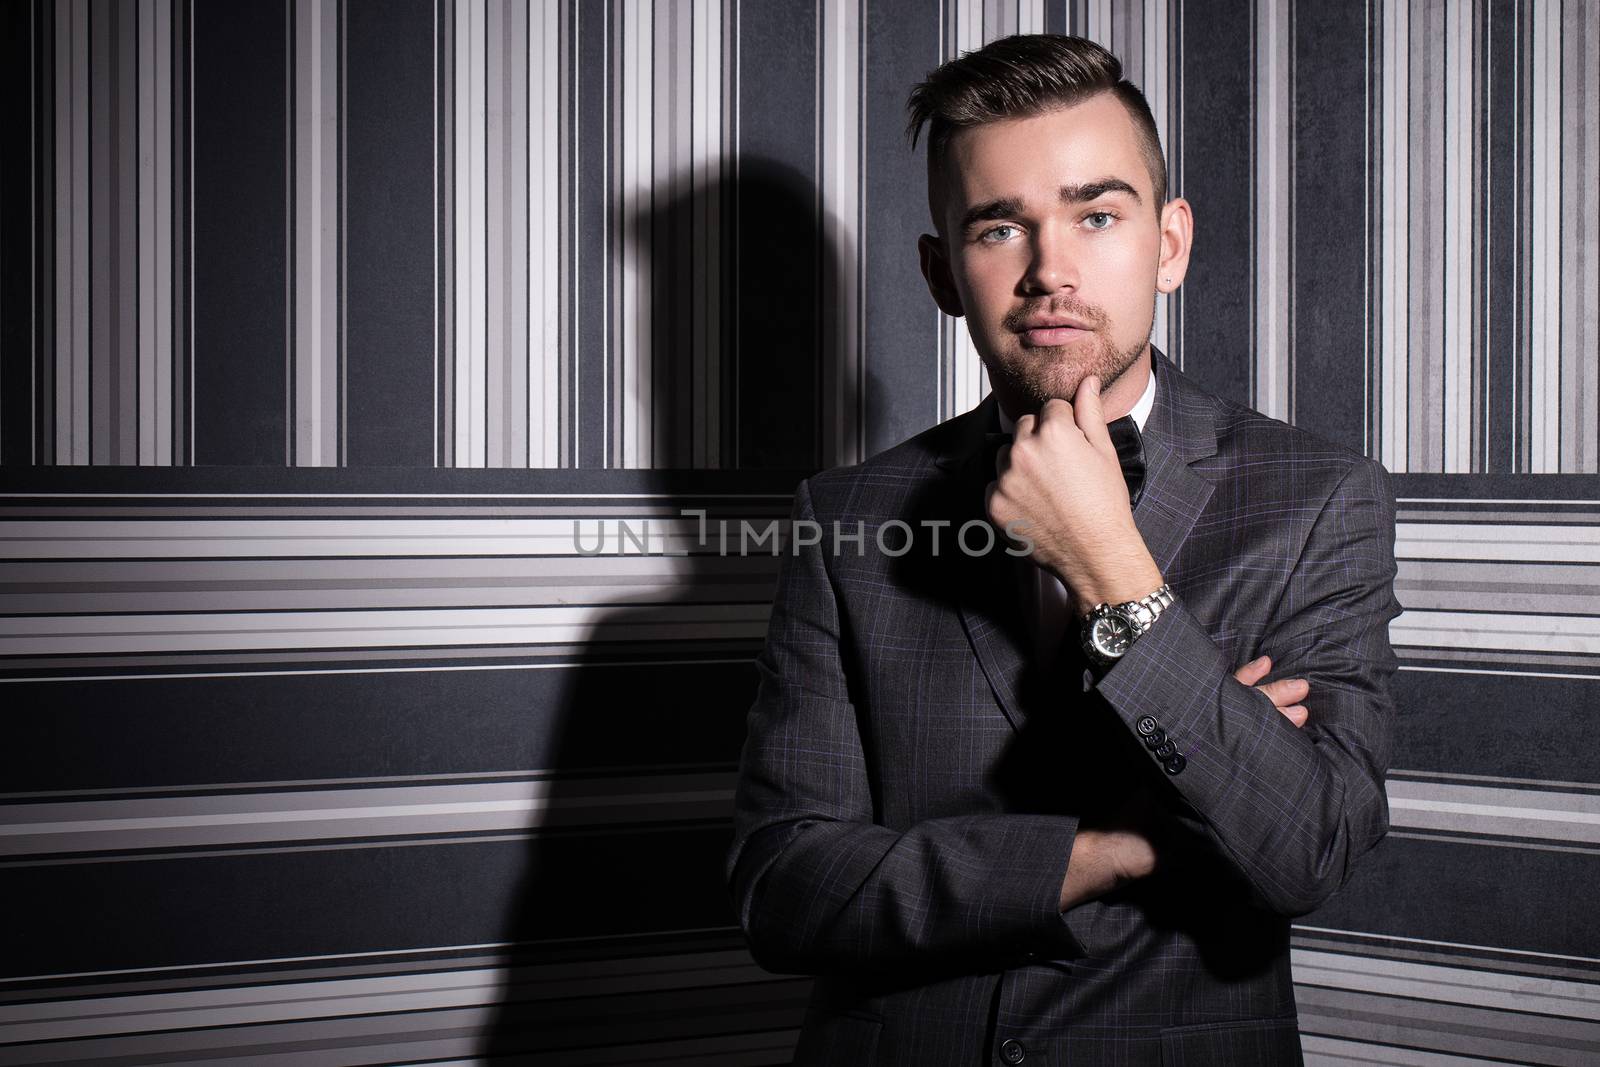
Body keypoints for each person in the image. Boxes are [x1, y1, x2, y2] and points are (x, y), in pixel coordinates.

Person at [724, 33, 1399, 1066]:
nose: (1050, 270)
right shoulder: (845, 515)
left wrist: (1108, 563)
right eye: (1000, 228)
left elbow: (1309, 845)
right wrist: (1118, 849)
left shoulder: (1315, 498)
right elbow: (783, 887)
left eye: (1096, 214)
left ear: (1168, 243)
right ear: (943, 272)